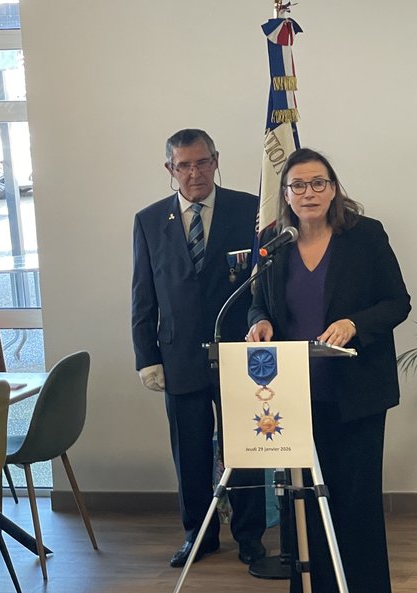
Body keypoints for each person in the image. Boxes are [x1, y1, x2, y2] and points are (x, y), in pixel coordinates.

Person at [246, 148, 410, 593]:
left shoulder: (365, 235)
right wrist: (257, 320)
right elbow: (259, 301)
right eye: (298, 185)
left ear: (334, 188)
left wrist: (355, 323)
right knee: (301, 505)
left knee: (355, 502)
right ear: (285, 194)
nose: (309, 193)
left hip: (357, 393)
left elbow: (398, 302)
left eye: (318, 183)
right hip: (292, 397)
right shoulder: (273, 240)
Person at [131, 128, 266, 567]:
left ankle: (250, 537)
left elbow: (266, 286)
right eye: (184, 165)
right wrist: (146, 358)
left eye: (203, 162)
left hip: (239, 354)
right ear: (170, 169)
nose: (195, 173)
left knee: (246, 449)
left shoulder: (251, 210)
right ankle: (199, 534)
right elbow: (143, 296)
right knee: (188, 452)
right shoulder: (150, 221)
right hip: (179, 357)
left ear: (216, 160)